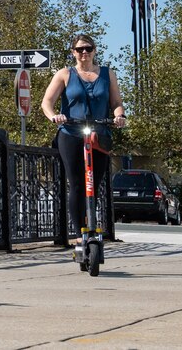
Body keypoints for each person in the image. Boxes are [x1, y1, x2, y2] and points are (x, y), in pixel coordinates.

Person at [40, 35, 126, 239]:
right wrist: (55, 117)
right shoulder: (65, 74)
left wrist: (119, 116)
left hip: (99, 133)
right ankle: (80, 233)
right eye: (79, 50)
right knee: (77, 183)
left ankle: (92, 224)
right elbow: (46, 102)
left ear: (95, 50)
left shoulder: (108, 74)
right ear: (73, 53)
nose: (84, 53)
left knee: (94, 183)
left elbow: (116, 103)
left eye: (88, 48)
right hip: (71, 133)